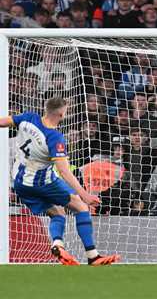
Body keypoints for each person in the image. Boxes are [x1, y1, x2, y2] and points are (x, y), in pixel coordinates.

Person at [0, 97, 120, 265]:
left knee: (57, 213)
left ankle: (58, 244)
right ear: (62, 114)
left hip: (20, 183)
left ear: (46, 108)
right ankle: (92, 256)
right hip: (43, 182)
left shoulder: (28, 117)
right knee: (80, 206)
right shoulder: (54, 138)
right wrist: (84, 194)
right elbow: (64, 171)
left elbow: (3, 121)